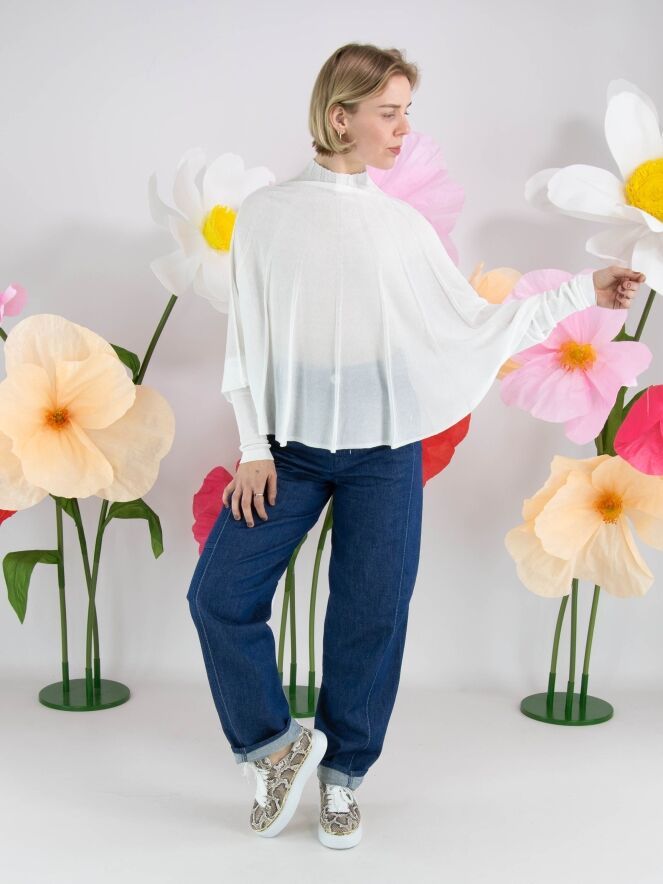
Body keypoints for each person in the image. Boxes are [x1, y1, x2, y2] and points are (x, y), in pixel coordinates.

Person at [186, 42, 645, 850]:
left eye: (406, 113)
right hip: (287, 450)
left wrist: (584, 291)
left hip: (384, 449)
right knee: (218, 595)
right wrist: (253, 446)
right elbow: (246, 341)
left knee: (369, 614)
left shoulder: (399, 225)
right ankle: (274, 747)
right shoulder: (265, 216)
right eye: (388, 113)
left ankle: (341, 776)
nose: (403, 129)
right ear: (340, 118)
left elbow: (472, 323)